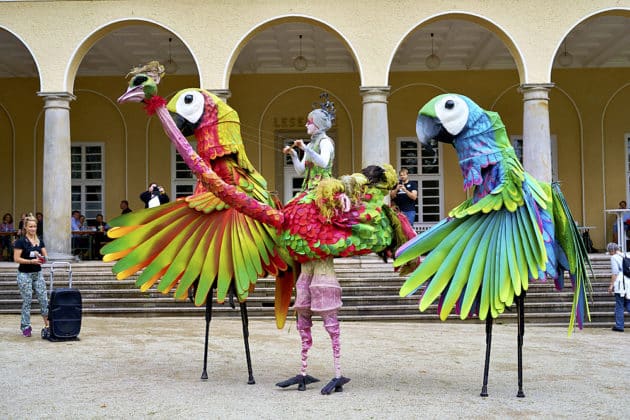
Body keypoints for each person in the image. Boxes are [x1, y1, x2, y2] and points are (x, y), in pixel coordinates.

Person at [277, 96, 351, 394]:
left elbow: (323, 163)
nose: (306, 124)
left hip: (321, 197)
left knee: (321, 284)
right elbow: (301, 171)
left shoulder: (326, 141)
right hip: (306, 193)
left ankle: (337, 371)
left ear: (318, 124)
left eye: (310, 121)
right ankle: (304, 370)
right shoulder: (312, 143)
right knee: (304, 298)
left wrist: (306, 148)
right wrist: (293, 156)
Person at [13, 213, 49, 337]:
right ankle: (26, 326)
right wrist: (30, 261)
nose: (33, 229)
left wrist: (41, 258)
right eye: (30, 227)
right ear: (26, 227)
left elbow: (46, 257)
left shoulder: (40, 241)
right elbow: (16, 259)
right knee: (27, 300)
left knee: (44, 299)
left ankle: (48, 325)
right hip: (24, 274)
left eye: (34, 226)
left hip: (37, 274)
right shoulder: (21, 241)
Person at [607, 242, 630, 332]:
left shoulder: (614, 257)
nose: (609, 253)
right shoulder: (626, 255)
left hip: (620, 284)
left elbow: (615, 273)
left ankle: (619, 325)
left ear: (612, 250)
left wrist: (611, 285)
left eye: (609, 251)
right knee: (628, 303)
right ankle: (619, 325)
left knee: (619, 305)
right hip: (629, 282)